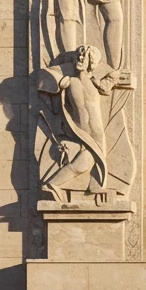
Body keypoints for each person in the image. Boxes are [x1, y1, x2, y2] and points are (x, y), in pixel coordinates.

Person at [41, 45, 111, 203]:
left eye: (84, 56)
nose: (79, 59)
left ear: (91, 63)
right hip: (79, 131)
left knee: (92, 163)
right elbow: (52, 101)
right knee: (83, 164)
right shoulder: (68, 81)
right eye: (78, 56)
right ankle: (51, 184)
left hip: (97, 134)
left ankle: (92, 186)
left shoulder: (95, 84)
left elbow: (108, 85)